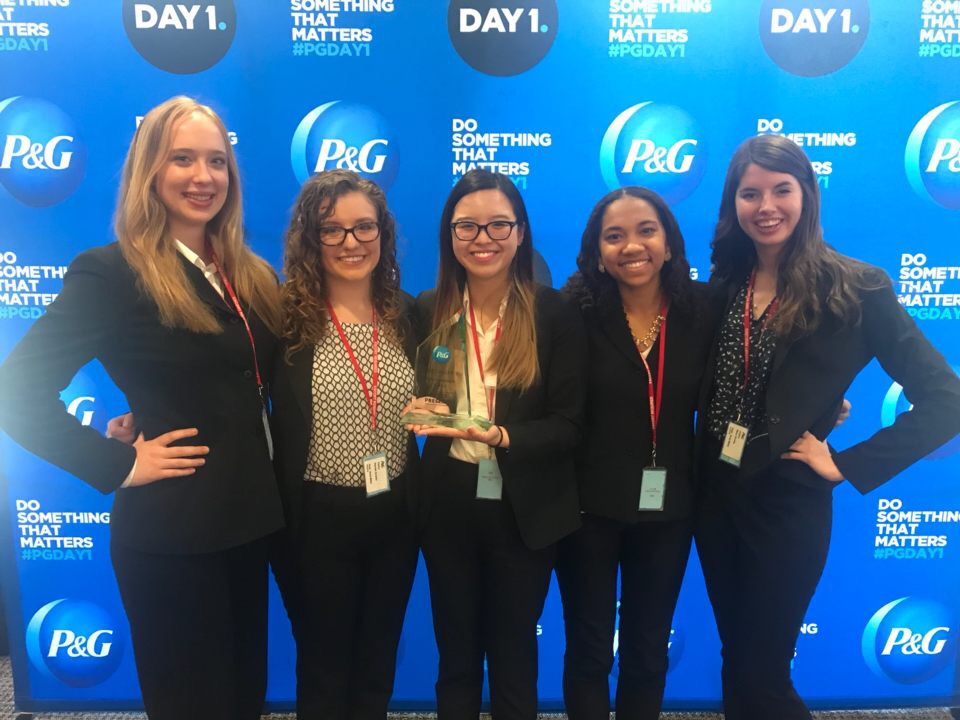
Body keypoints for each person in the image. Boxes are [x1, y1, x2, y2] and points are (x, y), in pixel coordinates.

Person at [0, 96, 283, 720]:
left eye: (216, 161)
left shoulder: (245, 272)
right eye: (182, 159)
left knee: (243, 698)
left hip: (249, 523)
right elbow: (16, 387)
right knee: (192, 705)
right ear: (149, 171)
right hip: (172, 533)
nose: (203, 177)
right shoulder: (112, 273)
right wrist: (118, 463)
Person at [695, 134, 960, 720]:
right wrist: (817, 403)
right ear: (733, 204)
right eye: (750, 193)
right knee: (738, 661)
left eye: (781, 190)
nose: (766, 206)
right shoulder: (725, 283)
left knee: (762, 676)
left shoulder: (855, 286)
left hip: (786, 504)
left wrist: (845, 462)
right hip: (714, 497)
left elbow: (947, 399)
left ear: (807, 195)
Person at [406, 169, 586, 719]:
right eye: (467, 227)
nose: (482, 239)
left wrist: (504, 435)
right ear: (449, 235)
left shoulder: (552, 312)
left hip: (524, 504)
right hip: (448, 501)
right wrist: (417, 410)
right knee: (455, 653)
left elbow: (569, 424)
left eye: (497, 224)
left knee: (513, 653)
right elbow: (416, 395)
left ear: (521, 231)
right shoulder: (428, 308)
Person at [556, 186, 716, 720]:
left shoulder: (701, 311)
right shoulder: (572, 312)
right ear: (597, 252)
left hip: (669, 509)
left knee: (648, 653)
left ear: (668, 241)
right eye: (614, 235)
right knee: (589, 650)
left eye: (646, 230)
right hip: (587, 510)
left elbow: (749, 378)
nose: (632, 246)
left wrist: (822, 408)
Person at [270, 169, 419, 720]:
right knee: (325, 670)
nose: (352, 242)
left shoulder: (407, 314)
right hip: (315, 518)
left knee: (377, 664)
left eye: (365, 228)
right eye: (333, 230)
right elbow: (225, 382)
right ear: (310, 238)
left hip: (395, 514)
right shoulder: (283, 316)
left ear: (383, 233)